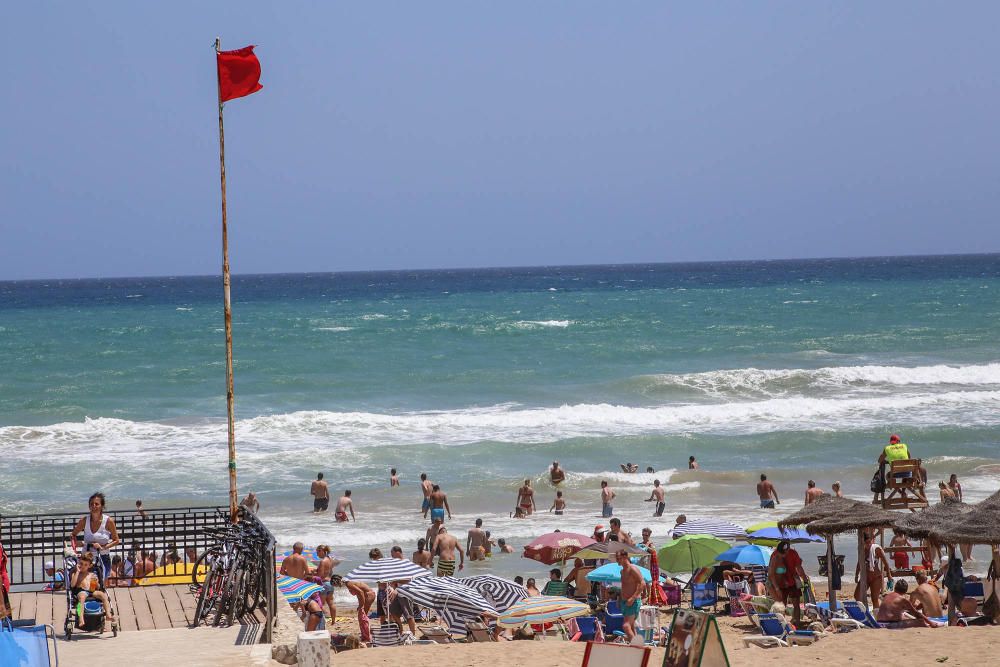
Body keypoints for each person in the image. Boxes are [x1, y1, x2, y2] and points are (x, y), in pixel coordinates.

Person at [69, 492, 121, 579]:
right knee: (86, 584)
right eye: (91, 504)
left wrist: (103, 547)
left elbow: (116, 540)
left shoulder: (108, 521)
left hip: (103, 557)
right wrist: (76, 545)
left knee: (99, 585)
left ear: (102, 506)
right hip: (86, 559)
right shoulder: (84, 520)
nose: (94, 506)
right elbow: (73, 535)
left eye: (96, 504)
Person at [69, 552, 115, 628]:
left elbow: (98, 586)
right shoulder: (76, 573)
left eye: (85, 565)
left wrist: (97, 583)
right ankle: (81, 618)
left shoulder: (92, 574)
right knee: (82, 597)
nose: (82, 566)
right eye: (81, 563)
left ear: (89, 566)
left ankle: (108, 614)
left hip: (92, 591)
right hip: (81, 591)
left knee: (103, 595)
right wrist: (77, 571)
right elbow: (72, 585)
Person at [768, 540, 807, 626]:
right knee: (782, 605)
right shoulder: (775, 555)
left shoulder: (792, 553)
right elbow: (771, 575)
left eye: (785, 553)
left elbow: (798, 568)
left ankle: (796, 623)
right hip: (781, 584)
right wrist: (776, 588)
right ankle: (782, 623)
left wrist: (804, 578)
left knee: (795, 604)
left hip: (791, 582)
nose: (784, 555)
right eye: (782, 553)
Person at [332, 574, 374, 644]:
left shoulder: (348, 583)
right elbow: (359, 594)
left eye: (335, 585)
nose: (336, 587)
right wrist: (360, 604)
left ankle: (367, 637)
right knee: (362, 617)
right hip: (367, 596)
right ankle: (365, 635)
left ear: (337, 582)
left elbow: (361, 592)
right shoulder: (347, 583)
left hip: (368, 595)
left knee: (363, 618)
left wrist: (361, 605)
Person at [855, 532, 891, 609]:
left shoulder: (876, 549)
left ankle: (877, 616)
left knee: (874, 599)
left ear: (871, 540)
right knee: (857, 595)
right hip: (865, 577)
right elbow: (859, 562)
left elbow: (886, 563)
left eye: (869, 542)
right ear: (863, 542)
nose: (868, 544)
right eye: (866, 543)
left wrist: (889, 575)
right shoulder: (862, 550)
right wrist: (856, 574)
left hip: (876, 577)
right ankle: (864, 611)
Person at [616, 549, 644, 642]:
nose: (617, 560)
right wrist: (619, 599)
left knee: (626, 626)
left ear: (625, 557)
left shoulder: (632, 569)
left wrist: (633, 598)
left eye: (618, 558)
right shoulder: (622, 571)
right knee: (631, 627)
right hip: (625, 602)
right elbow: (624, 586)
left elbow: (642, 583)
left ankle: (635, 646)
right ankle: (639, 647)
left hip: (633, 601)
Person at [313, 544, 337, 623]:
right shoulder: (330, 560)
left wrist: (312, 575)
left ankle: (322, 621)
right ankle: (333, 620)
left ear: (322, 551)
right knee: (330, 602)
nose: (317, 554)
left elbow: (319, 576)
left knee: (321, 604)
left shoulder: (322, 561)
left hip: (324, 584)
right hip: (330, 583)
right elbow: (329, 572)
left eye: (317, 552)